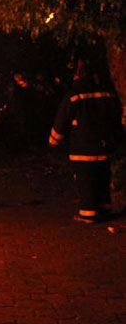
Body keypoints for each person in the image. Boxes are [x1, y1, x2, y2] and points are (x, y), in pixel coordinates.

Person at [49, 60, 124, 223]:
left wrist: (54, 141)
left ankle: (88, 214)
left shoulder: (75, 95)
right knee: (102, 176)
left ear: (78, 76)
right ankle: (104, 207)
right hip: (104, 145)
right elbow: (116, 117)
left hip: (83, 147)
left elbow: (62, 120)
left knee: (85, 179)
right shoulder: (108, 93)